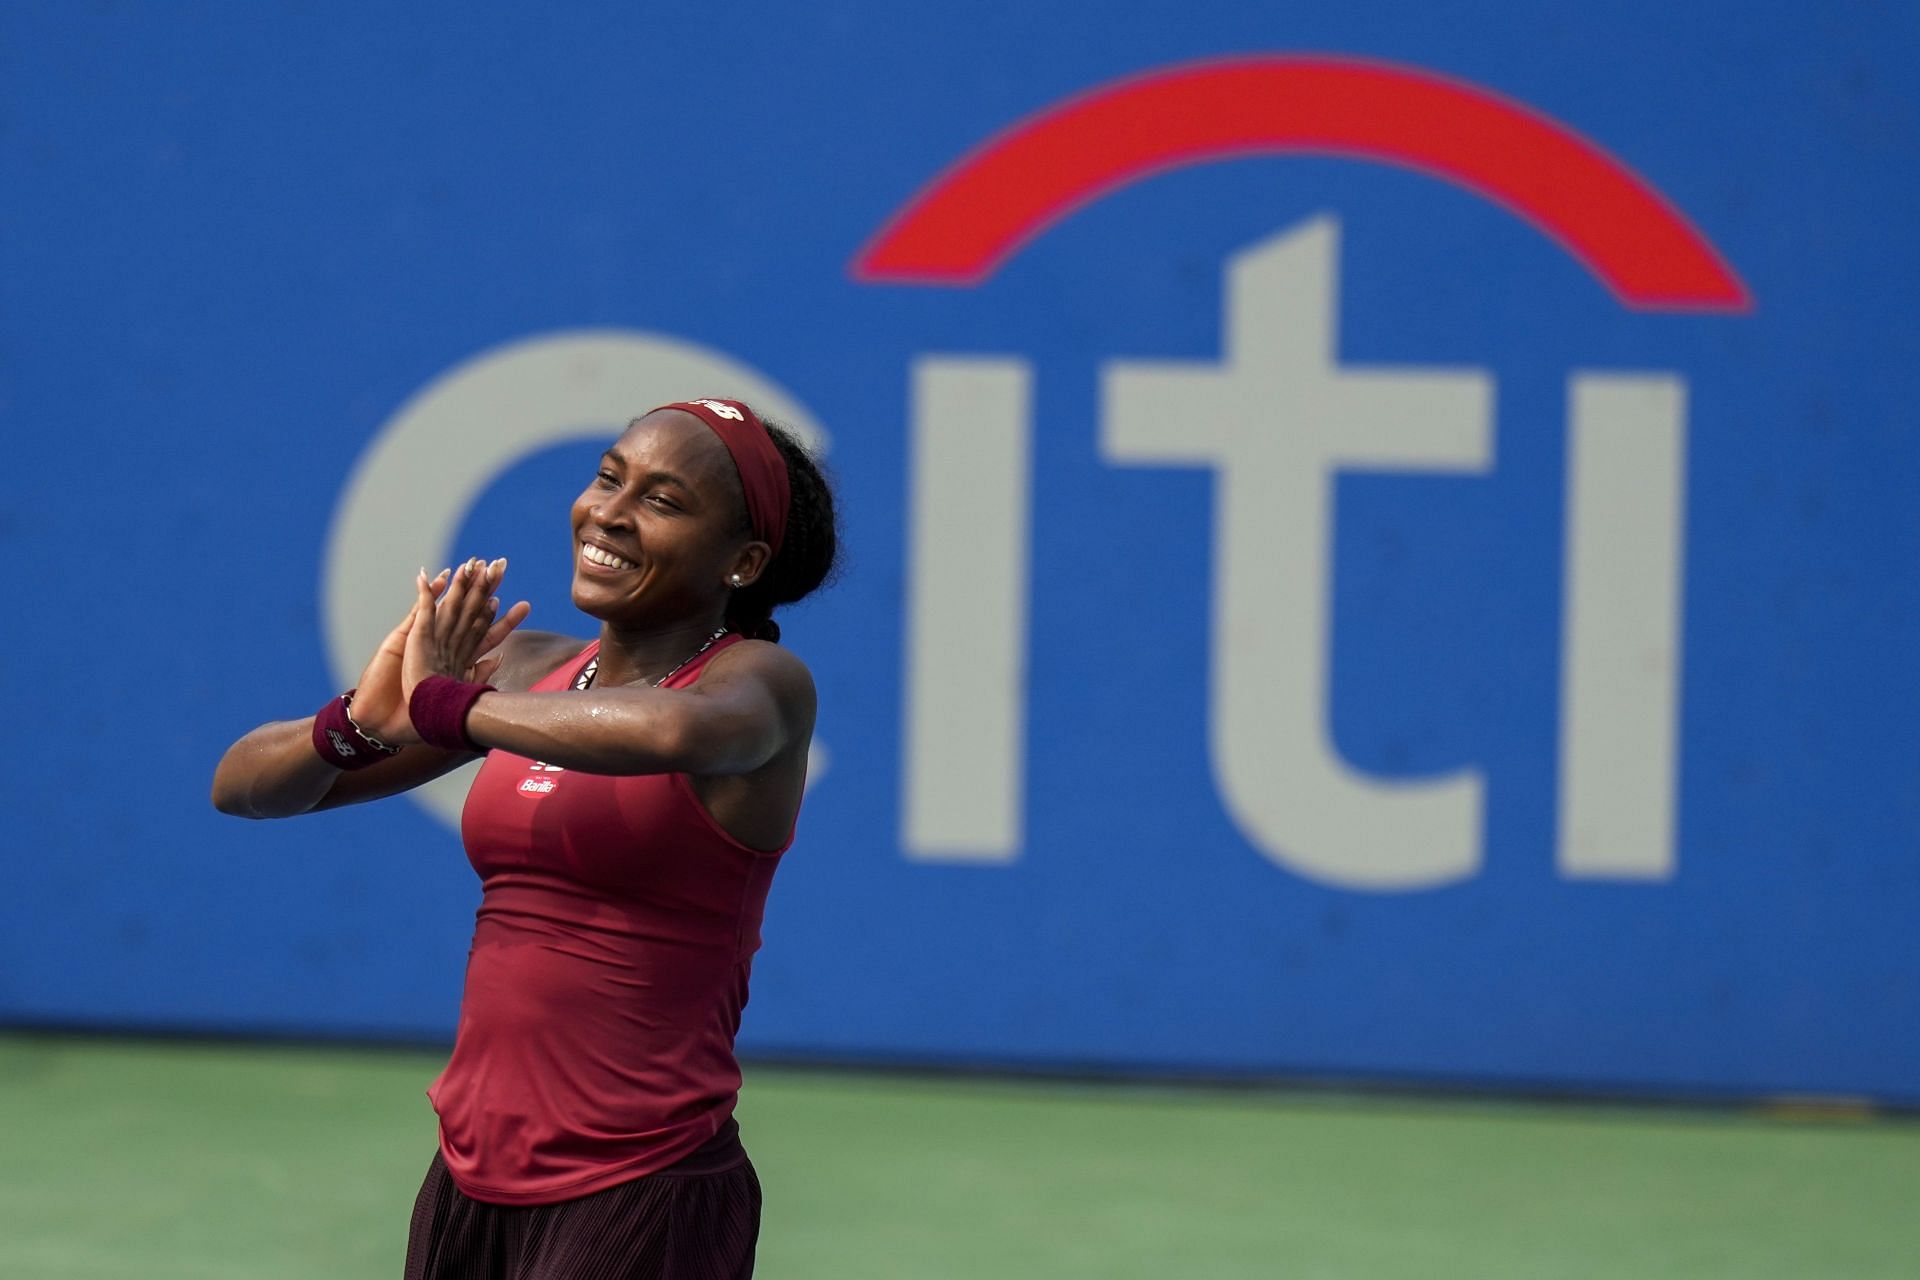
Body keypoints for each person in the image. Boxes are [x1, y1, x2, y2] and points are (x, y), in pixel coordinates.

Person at [212, 398, 838, 1279]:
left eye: (663, 501)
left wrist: (457, 708)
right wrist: (358, 722)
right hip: (471, 1176)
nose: (610, 513)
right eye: (609, 478)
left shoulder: (761, 682)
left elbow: (674, 735)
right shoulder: (523, 671)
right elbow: (245, 789)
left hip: (643, 1189)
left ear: (743, 560)